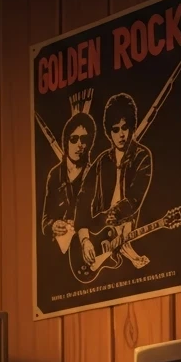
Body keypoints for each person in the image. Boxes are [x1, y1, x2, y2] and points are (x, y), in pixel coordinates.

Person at [75, 92, 153, 271]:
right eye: (115, 129)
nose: (121, 134)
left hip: (126, 227)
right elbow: (83, 198)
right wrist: (85, 238)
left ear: (132, 127)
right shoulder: (102, 161)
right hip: (99, 233)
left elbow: (134, 199)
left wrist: (114, 217)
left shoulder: (142, 156)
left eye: (124, 128)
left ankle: (131, 254)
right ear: (109, 132)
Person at [40, 111, 96, 251]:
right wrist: (54, 225)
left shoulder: (95, 174)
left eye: (84, 139)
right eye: (74, 139)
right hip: (60, 252)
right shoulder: (54, 175)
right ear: (66, 141)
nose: (79, 145)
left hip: (87, 247)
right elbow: (45, 221)